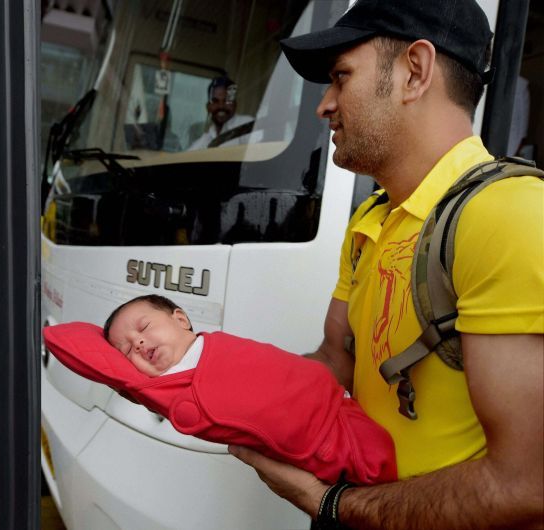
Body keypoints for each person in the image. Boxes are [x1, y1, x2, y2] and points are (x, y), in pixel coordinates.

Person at [227, 1, 544, 529]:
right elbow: (338, 359)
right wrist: (204, 375)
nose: (323, 106)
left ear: (414, 72)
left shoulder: (509, 216)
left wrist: (333, 505)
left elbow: (526, 483)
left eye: (341, 76)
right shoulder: (375, 215)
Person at [44, 294, 398, 486]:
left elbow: (272, 367)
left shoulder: (216, 346)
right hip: (326, 437)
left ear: (181, 319)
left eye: (144, 326)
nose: (137, 342)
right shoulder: (166, 387)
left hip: (336, 399)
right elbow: (71, 343)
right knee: (374, 463)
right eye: (125, 350)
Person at [187, 75, 254, 150]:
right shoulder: (207, 138)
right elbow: (185, 158)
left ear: (235, 105)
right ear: (208, 107)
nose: (221, 106)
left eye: (227, 101)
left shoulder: (246, 125)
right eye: (215, 101)